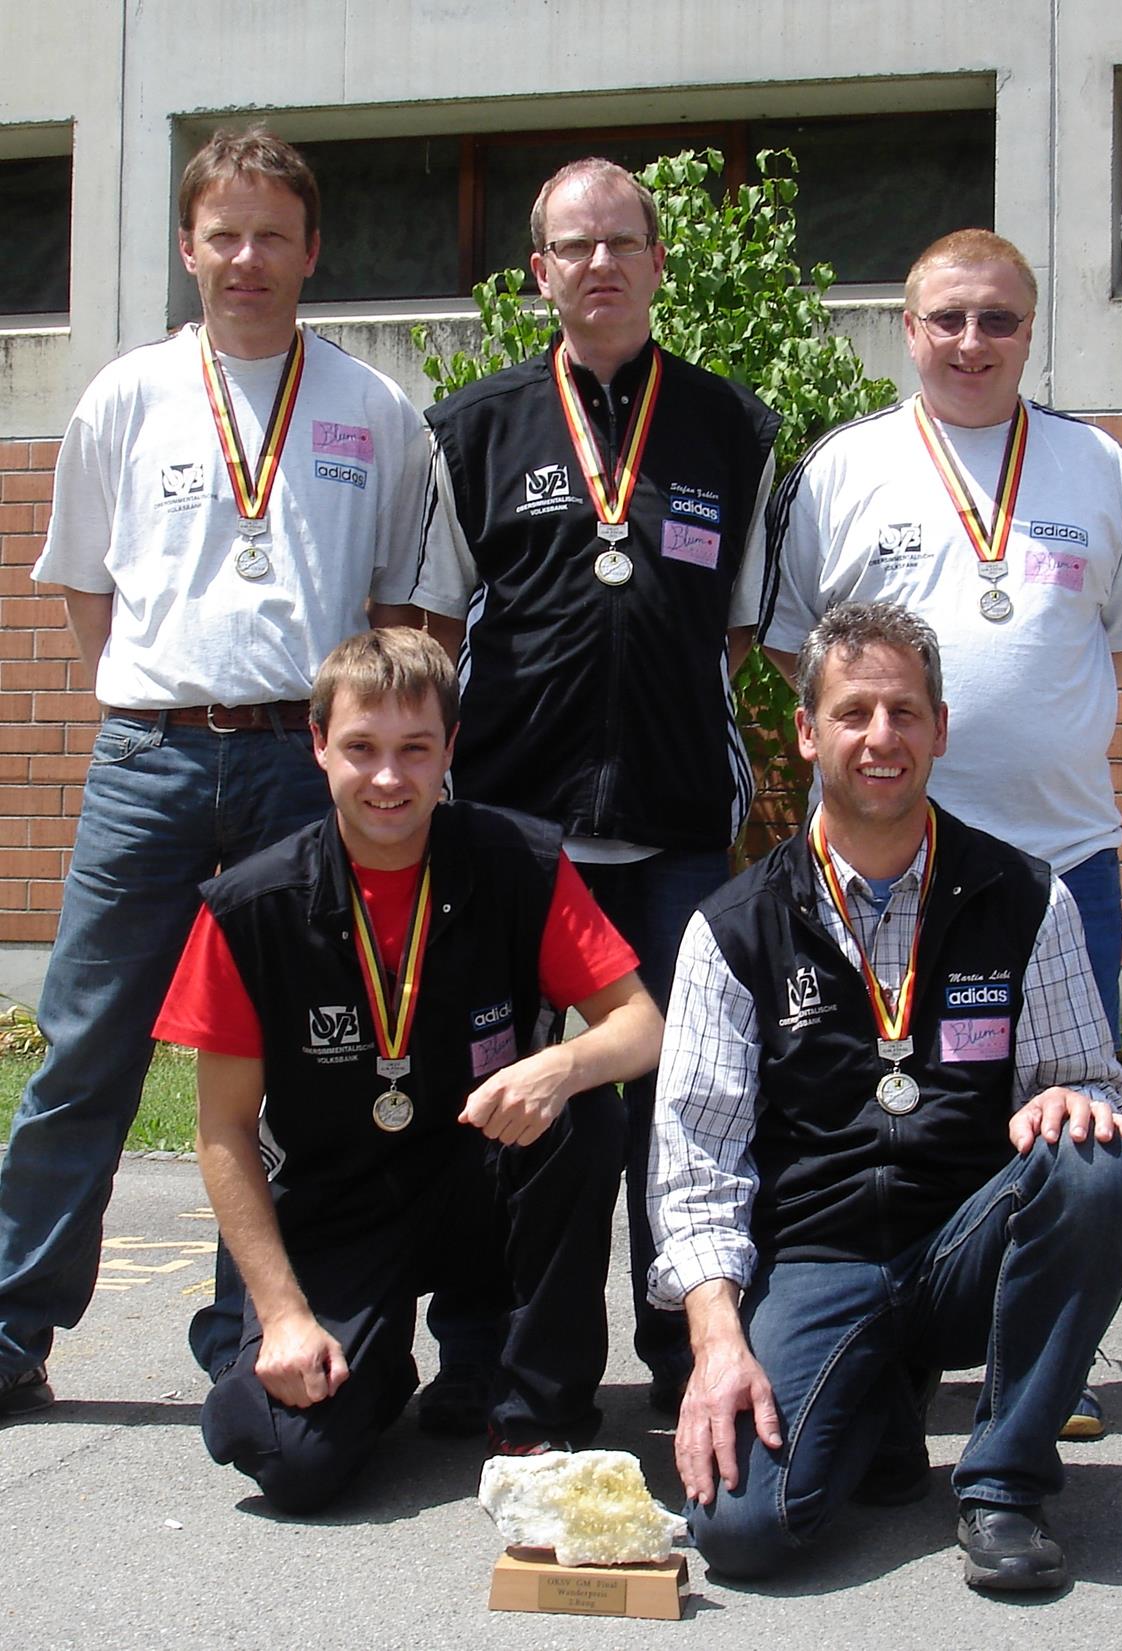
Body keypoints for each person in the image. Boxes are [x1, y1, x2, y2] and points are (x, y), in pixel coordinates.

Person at [0, 128, 429, 1420]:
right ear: (187, 246)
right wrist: (165, 699)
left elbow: (400, 610)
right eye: (224, 233)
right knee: (87, 1048)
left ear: (313, 251)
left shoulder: (373, 409)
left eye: (272, 235)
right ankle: (13, 1324)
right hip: (152, 759)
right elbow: (85, 588)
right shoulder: (125, 396)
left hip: (304, 770)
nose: (248, 257)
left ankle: (256, 1335)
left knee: (301, 1066)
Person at [648, 602, 1122, 1593]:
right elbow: (697, 1162)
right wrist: (717, 1342)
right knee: (743, 1531)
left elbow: (1086, 1081)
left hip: (965, 1251)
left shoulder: (1024, 897)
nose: (882, 736)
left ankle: (1003, 1486)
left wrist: (1070, 1103)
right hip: (819, 1259)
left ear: (940, 728)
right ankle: (875, 1396)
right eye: (854, 712)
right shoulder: (735, 928)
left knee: (1095, 1167)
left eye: (905, 712)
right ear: (807, 731)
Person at [406, 156, 781, 1421]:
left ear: (659, 261)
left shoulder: (731, 427)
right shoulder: (473, 429)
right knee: (505, 1093)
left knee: (682, 1101)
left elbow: (735, 629)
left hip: (675, 828)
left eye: (623, 241)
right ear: (539, 272)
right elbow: (432, 618)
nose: (601, 263)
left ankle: (683, 1350)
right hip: (514, 829)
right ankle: (488, 1350)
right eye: (575, 245)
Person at [152, 627, 661, 1511]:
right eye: (362, 747)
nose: (389, 777)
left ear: (450, 749)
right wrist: (284, 1315)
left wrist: (559, 1065)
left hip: (474, 1180)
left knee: (587, 1114)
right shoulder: (251, 908)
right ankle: (362, 1362)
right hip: (336, 1206)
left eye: (415, 749)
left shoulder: (518, 862)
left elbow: (640, 1024)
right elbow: (223, 1130)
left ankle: (536, 1409)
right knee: (286, 1458)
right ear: (318, 744)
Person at [760, 228, 1122, 1048]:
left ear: (1030, 330)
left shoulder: (1101, 466)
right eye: (948, 318)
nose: (972, 342)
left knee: (1073, 1102)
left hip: (1064, 857)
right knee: (880, 1098)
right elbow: (794, 648)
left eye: (998, 320)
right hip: (880, 866)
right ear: (910, 329)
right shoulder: (839, 467)